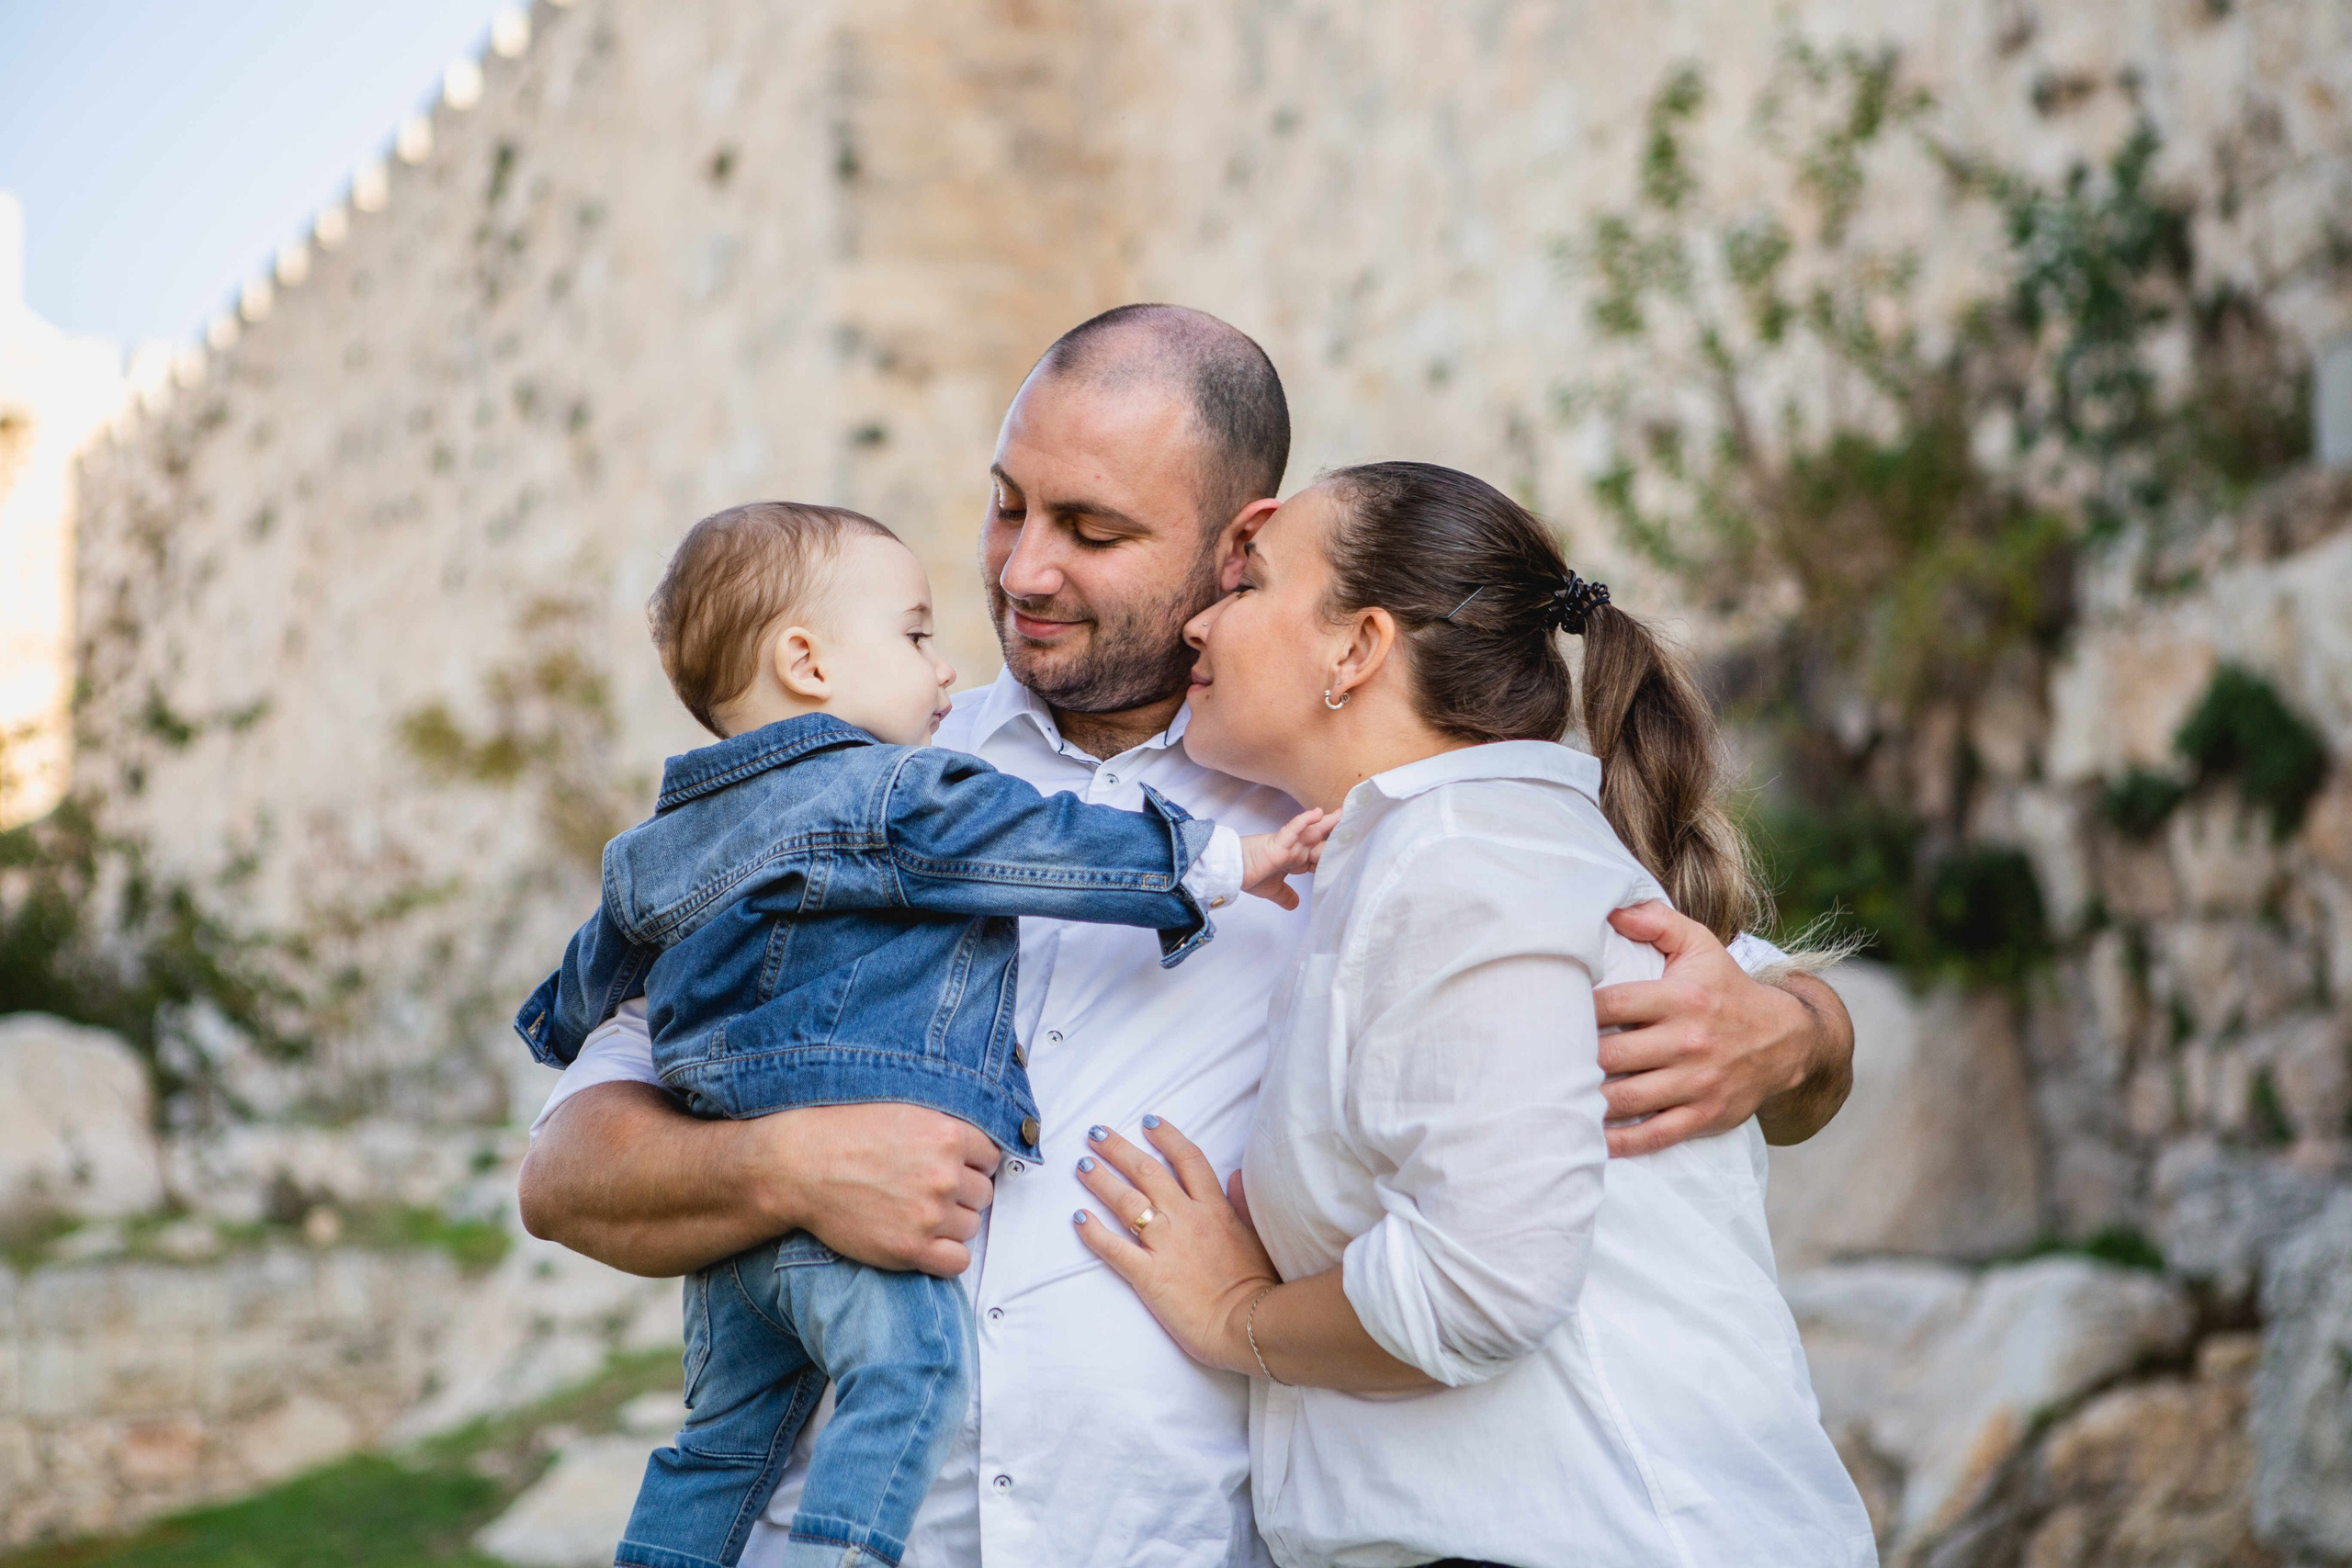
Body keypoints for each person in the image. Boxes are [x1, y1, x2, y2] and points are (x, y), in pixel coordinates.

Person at [517, 306, 1859, 1568]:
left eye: (1091, 528)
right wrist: (792, 1164)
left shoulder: (1362, 810)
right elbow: (569, 1172)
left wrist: (1794, 1026)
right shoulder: (855, 780)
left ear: (1238, 541)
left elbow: (1725, 1036)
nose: (1024, 567)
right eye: (1007, 505)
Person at [1070, 461, 1876, 1567]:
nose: (1200, 624)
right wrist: (1803, 1025)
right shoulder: (1474, 842)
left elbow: (1479, 1286)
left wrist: (1235, 1316)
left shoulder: (1458, 861)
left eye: (1246, 586)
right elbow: (1766, 1008)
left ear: (1356, 648)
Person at [515, 501, 1329, 1568]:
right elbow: (1040, 849)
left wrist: (553, 1027)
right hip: (853, 1220)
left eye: (1092, 527)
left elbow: (588, 979)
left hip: (732, 1263)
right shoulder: (900, 787)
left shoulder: (659, 838)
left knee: (720, 1449)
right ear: (805, 663)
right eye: (912, 638)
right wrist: (1219, 866)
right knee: (912, 1381)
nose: (943, 670)